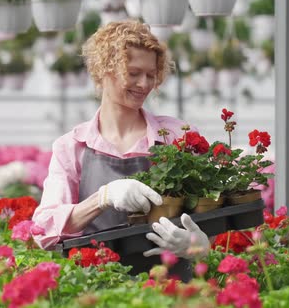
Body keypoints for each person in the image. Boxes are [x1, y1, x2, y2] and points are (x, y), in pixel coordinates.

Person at [32, 20, 210, 278]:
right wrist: (102, 198)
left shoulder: (177, 136)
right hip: (98, 288)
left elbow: (214, 213)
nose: (144, 84)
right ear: (105, 68)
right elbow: (43, 230)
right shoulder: (72, 147)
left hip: (171, 289)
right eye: (134, 72)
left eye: (151, 74)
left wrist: (200, 244)